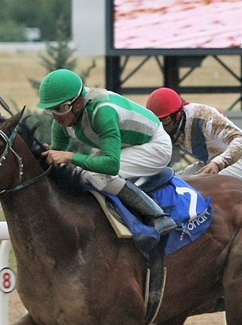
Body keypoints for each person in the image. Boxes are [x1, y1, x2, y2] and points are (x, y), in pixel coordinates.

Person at [37, 69, 177, 235]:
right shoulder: (62, 121)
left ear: (78, 104)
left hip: (155, 145)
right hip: (128, 145)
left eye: (60, 109)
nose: (55, 116)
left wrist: (70, 157)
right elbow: (57, 153)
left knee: (97, 175)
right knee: (81, 174)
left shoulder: (103, 112)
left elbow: (111, 165)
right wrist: (47, 154)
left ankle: (157, 216)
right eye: (50, 110)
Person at [145, 87, 242, 181]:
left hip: (240, 160)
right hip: (208, 162)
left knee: (201, 186)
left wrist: (218, 164)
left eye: (164, 121)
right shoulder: (166, 126)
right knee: (175, 183)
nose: (161, 128)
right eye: (156, 122)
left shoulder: (203, 116)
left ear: (178, 115)